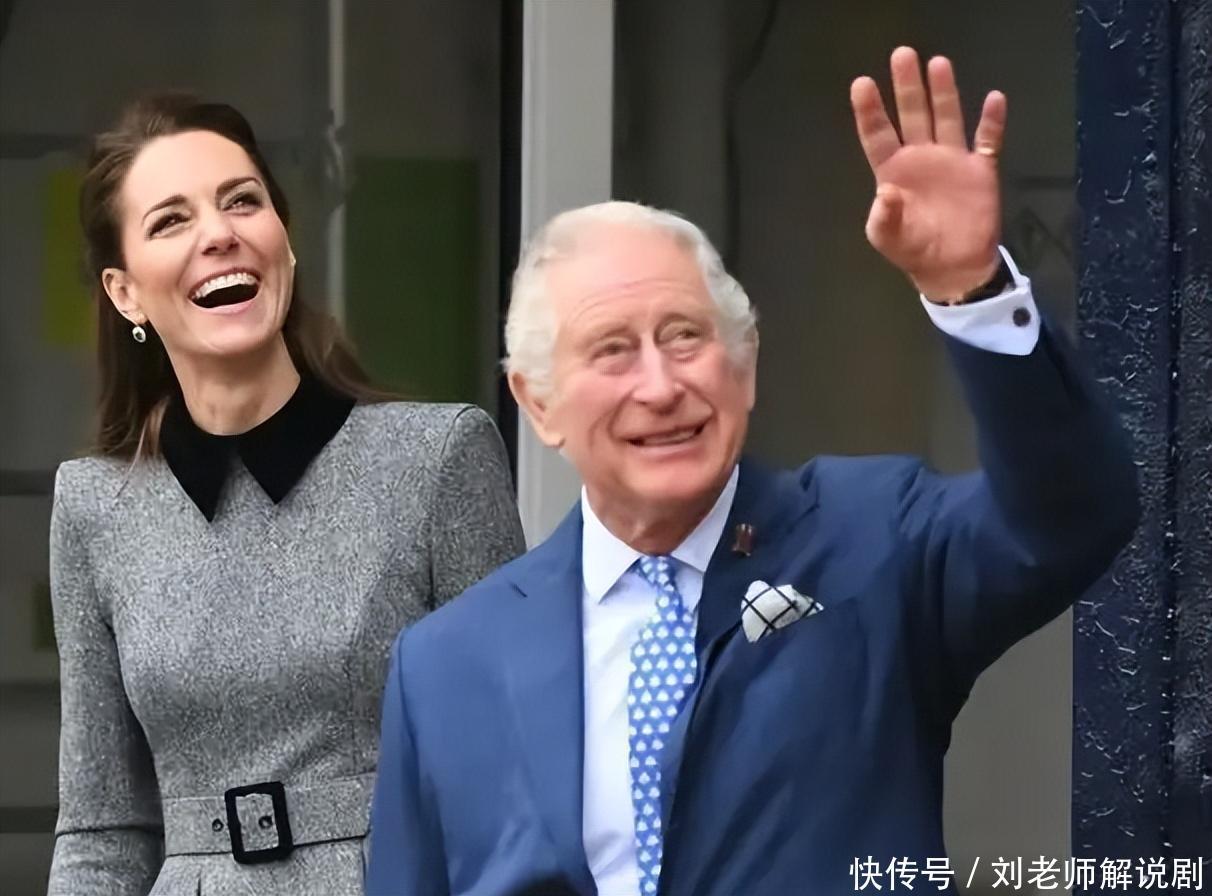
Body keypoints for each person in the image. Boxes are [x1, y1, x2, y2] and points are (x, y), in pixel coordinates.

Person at [365, 47, 1140, 895]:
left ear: (745, 365)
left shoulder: (872, 539)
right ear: (537, 401)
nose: (660, 386)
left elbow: (1071, 517)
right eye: (613, 351)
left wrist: (973, 289)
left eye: (685, 337)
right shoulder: (447, 663)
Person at [47, 93, 525, 896]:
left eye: (243, 201)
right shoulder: (96, 508)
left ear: (285, 241)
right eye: (171, 220)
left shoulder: (436, 459)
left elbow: (509, 774)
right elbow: (102, 833)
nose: (219, 233)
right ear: (125, 293)